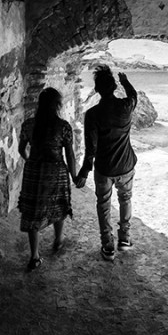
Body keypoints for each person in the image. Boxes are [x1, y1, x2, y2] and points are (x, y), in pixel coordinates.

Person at [75, 65, 137, 261]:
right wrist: (125, 81)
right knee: (125, 199)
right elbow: (133, 95)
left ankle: (107, 245)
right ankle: (124, 238)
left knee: (103, 204)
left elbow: (90, 148)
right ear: (114, 87)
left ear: (97, 90)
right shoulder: (126, 106)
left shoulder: (92, 114)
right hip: (126, 165)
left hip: (104, 167)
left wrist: (85, 171)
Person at [18, 87, 77, 270]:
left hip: (34, 172)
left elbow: (21, 149)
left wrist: (30, 161)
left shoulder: (28, 125)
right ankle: (58, 240)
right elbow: (70, 155)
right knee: (58, 205)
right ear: (57, 105)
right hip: (56, 171)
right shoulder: (64, 127)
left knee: (33, 211)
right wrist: (74, 175)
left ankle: (34, 256)